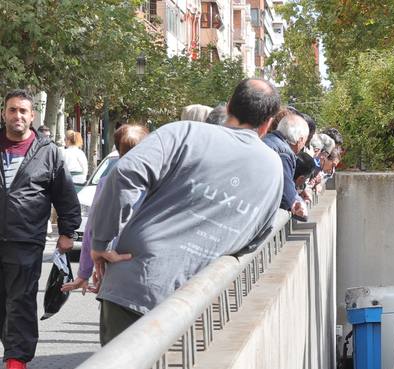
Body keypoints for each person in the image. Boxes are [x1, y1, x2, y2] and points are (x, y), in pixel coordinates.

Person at [86, 78, 283, 345]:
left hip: (136, 284)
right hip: (199, 300)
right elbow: (260, 235)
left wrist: (100, 242)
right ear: (268, 122)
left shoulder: (184, 133)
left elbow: (124, 174)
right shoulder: (273, 168)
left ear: (228, 106)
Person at [0, 90, 80, 369]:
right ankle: (11, 347)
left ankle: (17, 358)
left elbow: (66, 196)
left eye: (23, 111)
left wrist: (68, 231)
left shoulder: (48, 152)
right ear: (4, 113)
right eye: (12, 110)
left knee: (20, 298)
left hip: (26, 238)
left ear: (32, 116)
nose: (17, 116)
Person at [60, 124, 149, 295]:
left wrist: (84, 272)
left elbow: (92, 228)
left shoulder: (107, 181)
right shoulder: (159, 181)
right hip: (145, 263)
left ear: (117, 150)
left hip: (115, 262)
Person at [264, 111, 309, 217]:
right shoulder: (284, 153)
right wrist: (299, 203)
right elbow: (287, 194)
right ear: (300, 140)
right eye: (304, 142)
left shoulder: (266, 140)